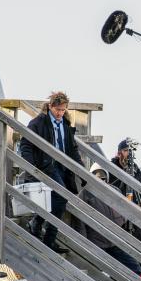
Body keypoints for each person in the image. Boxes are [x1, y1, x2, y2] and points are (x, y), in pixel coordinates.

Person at [20, 91, 85, 253]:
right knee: (61, 197)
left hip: (63, 168)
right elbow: (26, 145)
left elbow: (73, 149)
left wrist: (82, 171)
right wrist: (31, 166)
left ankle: (39, 226)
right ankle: (46, 236)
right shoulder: (38, 123)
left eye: (63, 110)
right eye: (57, 110)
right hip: (47, 166)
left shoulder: (65, 124)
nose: (60, 113)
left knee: (60, 201)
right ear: (50, 107)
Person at [78, 164, 141, 276]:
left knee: (134, 268)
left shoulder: (115, 191)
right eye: (97, 177)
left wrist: (121, 223)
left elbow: (124, 211)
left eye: (103, 178)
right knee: (94, 273)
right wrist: (85, 244)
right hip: (96, 244)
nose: (100, 181)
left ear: (107, 178)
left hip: (114, 241)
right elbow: (80, 222)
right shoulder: (85, 193)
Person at [109, 138, 141, 210]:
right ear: (119, 153)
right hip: (114, 207)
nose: (129, 153)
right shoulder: (111, 167)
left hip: (132, 207)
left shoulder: (135, 168)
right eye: (126, 150)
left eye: (130, 151)